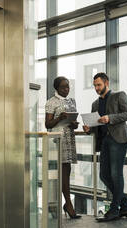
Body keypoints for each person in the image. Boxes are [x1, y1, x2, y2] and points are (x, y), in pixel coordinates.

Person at [83, 72, 127, 221]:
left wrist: (109, 118)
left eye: (99, 85)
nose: (96, 88)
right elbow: (95, 125)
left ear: (106, 83)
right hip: (104, 141)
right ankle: (125, 207)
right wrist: (88, 129)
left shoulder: (119, 95)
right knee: (104, 175)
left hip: (118, 140)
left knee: (116, 174)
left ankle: (114, 209)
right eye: (94, 86)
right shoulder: (95, 104)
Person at [45, 76, 81, 219]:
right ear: (57, 88)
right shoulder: (51, 102)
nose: (66, 89)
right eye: (63, 87)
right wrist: (60, 118)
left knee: (67, 171)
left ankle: (66, 204)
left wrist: (73, 123)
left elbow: (73, 120)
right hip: (58, 139)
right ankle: (67, 204)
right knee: (61, 173)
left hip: (69, 138)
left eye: (68, 87)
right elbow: (48, 124)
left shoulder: (72, 101)